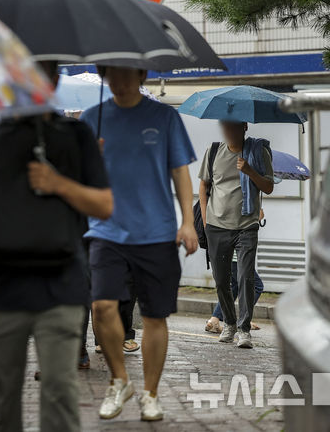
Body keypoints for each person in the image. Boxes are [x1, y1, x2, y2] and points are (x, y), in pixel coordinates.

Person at [0, 61, 112, 432]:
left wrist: (60, 184)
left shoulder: (76, 134)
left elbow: (103, 205)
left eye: (44, 69)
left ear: (55, 76)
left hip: (61, 287)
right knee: (1, 400)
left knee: (59, 394)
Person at [80, 66, 198, 422]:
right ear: (104, 74)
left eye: (128, 72)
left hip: (157, 233)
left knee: (153, 316)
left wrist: (189, 222)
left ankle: (150, 393)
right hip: (106, 230)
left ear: (142, 73)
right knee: (102, 306)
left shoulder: (164, 117)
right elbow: (79, 177)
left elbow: (180, 171)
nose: (120, 79)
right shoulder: (91, 119)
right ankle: (120, 380)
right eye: (112, 72)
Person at [199, 121, 273, 349]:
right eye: (225, 128)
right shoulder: (213, 151)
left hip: (246, 226)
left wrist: (250, 171)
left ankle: (244, 329)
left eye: (233, 128)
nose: (228, 132)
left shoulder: (259, 151)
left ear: (244, 128)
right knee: (222, 281)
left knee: (246, 277)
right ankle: (228, 323)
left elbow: (268, 187)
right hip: (217, 225)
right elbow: (204, 186)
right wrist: (205, 220)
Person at [205, 254, 265, 333]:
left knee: (234, 287)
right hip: (238, 258)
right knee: (256, 286)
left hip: (226, 256)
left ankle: (214, 320)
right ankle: (243, 320)